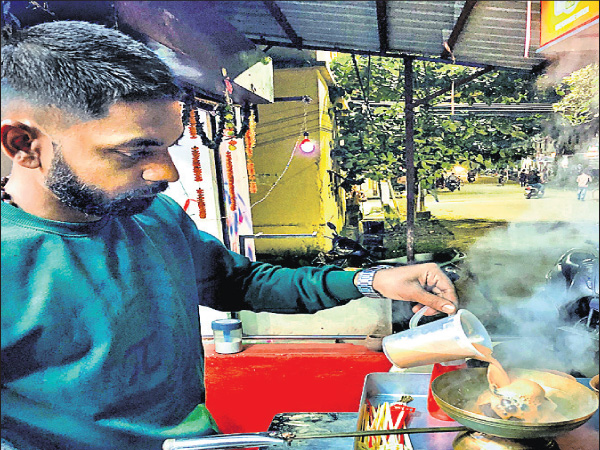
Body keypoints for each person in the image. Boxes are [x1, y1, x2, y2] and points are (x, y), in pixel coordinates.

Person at [1, 21, 459, 450]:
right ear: (23, 145)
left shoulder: (154, 216)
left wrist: (372, 281)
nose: (166, 171)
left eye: (168, 145)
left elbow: (240, 283)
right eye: (133, 151)